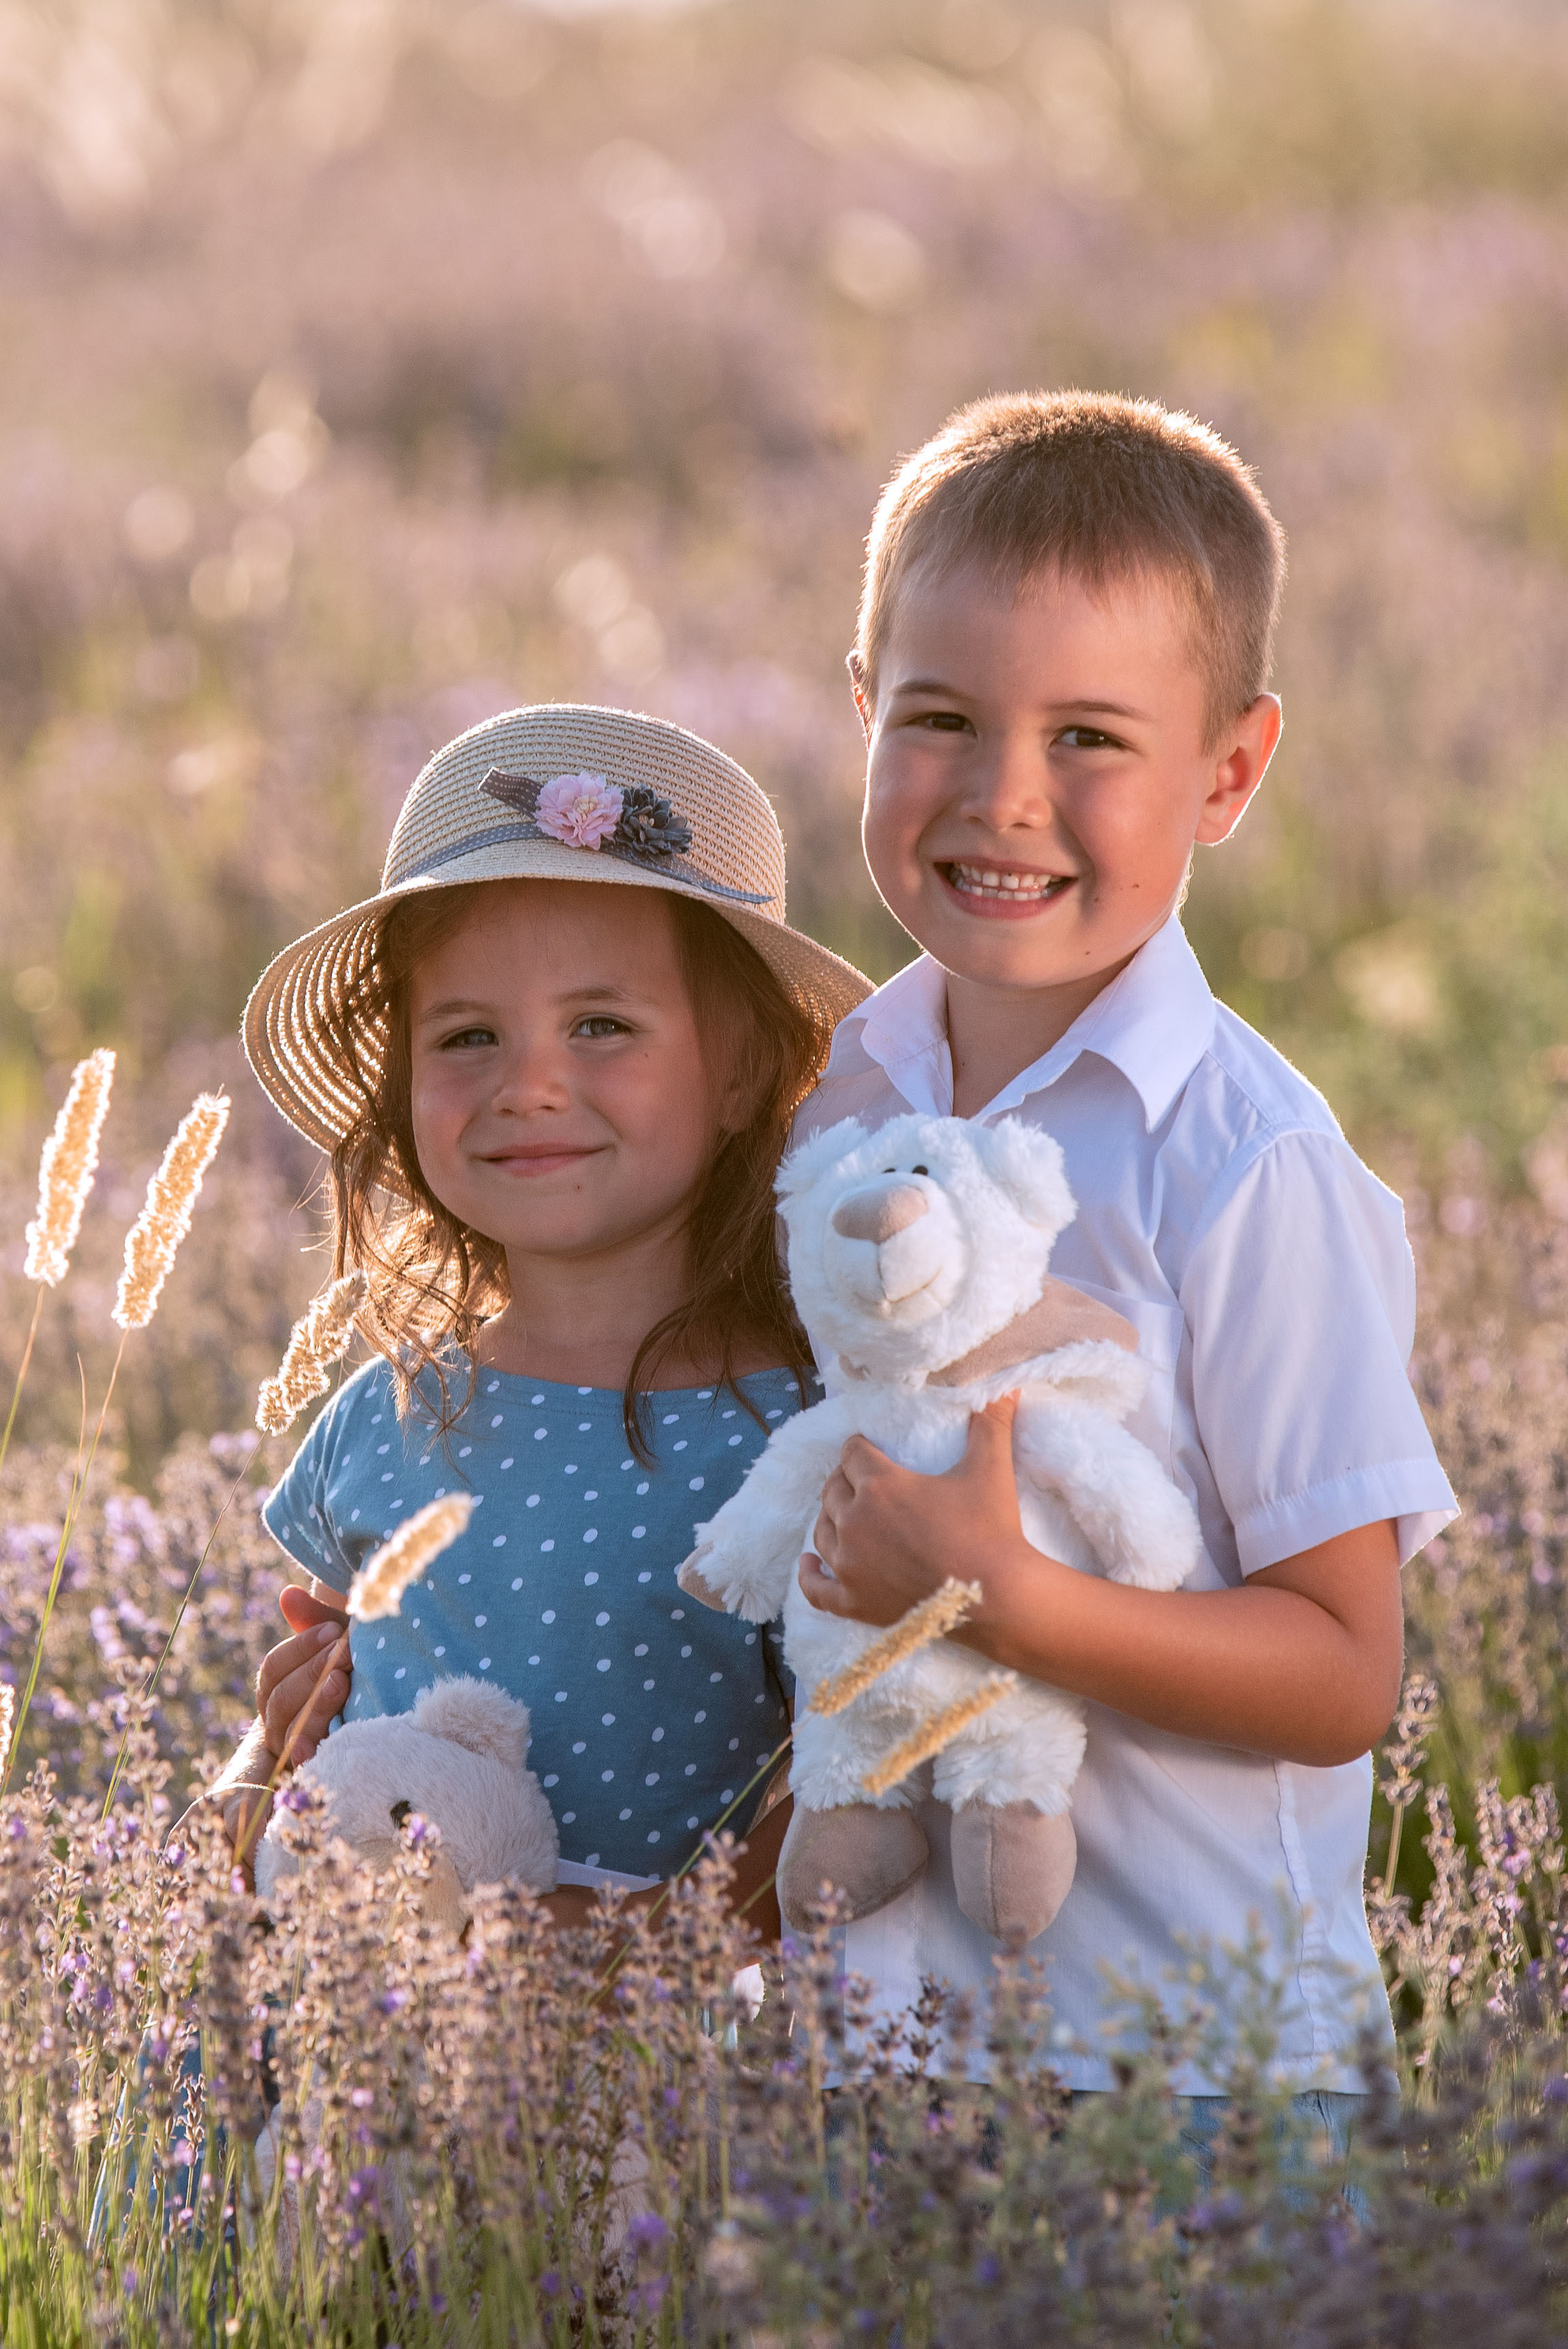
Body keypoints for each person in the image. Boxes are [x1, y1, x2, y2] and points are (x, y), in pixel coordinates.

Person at [788, 391, 1457, 2159]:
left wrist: (1005, 1597)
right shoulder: (835, 1098)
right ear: (860, 714)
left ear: (1227, 772)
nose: (1002, 795)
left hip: (1189, 2073)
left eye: (1088, 735)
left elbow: (1340, 1667)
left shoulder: (1242, 1165)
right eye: (936, 717)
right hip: (874, 2053)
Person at [213, 703, 871, 1935]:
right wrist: (260, 1774)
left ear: (739, 1073)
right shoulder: (391, 1407)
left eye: (601, 1025)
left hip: (664, 2079)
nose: (529, 1083)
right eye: (467, 1035)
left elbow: (844, 1776)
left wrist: (630, 1966)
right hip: (369, 2063)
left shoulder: (798, 1431)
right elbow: (314, 1742)